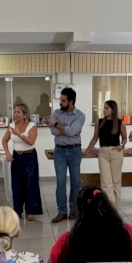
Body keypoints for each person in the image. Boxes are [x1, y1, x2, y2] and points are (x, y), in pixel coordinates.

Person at [46, 87, 86, 223]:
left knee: (75, 182)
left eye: (63, 100)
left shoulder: (80, 115)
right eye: (60, 100)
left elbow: (71, 131)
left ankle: (74, 210)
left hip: (75, 151)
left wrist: (57, 124)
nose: (60, 102)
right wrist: (69, 131)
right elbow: (54, 131)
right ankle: (62, 211)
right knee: (60, 182)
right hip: (59, 151)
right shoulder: (56, 112)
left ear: (71, 101)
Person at [84, 100, 127, 209]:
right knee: (106, 182)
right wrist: (87, 150)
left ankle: (115, 208)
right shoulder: (99, 122)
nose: (104, 110)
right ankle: (110, 207)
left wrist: (121, 145)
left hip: (115, 152)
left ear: (113, 110)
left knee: (116, 180)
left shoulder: (120, 122)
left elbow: (125, 138)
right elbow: (95, 138)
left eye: (107, 108)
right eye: (104, 108)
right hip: (103, 152)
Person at [2, 102, 42, 221]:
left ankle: (30, 210)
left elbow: (31, 141)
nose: (16, 114)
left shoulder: (32, 126)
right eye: (15, 112)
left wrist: (19, 134)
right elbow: (4, 140)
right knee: (17, 184)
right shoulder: (11, 126)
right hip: (17, 157)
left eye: (18, 112)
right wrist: (7, 153)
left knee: (30, 183)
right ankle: (17, 210)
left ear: (25, 114)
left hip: (29, 156)